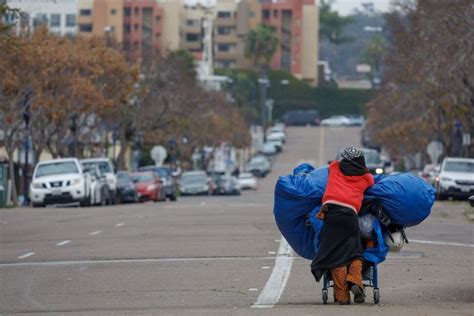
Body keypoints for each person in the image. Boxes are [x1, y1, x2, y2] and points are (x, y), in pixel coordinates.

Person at [311, 147, 375, 304]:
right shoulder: (366, 178)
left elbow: (332, 164)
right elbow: (373, 181)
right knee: (355, 250)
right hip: (350, 215)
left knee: (335, 253)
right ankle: (355, 279)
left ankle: (342, 296)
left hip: (331, 213)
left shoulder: (334, 168)